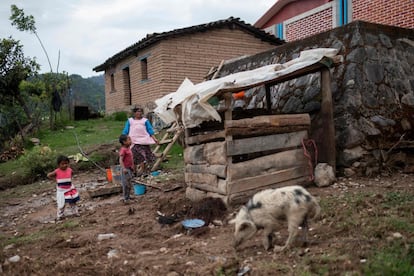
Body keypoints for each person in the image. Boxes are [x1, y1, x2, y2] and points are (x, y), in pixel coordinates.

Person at [122, 106, 159, 176]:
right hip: (133, 141)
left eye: (140, 111)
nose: (139, 113)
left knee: (143, 157)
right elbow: (125, 131)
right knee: (133, 157)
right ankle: (134, 172)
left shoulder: (145, 121)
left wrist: (155, 139)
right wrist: (124, 139)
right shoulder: (130, 121)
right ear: (134, 113)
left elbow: (150, 130)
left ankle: (143, 171)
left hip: (143, 141)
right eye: (138, 111)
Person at [47, 155, 80, 220]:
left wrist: (68, 179)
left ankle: (75, 212)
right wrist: (56, 180)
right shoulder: (57, 171)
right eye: (62, 164)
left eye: (66, 163)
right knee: (61, 203)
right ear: (58, 165)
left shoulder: (69, 170)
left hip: (69, 188)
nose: (64, 165)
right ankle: (60, 216)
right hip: (61, 190)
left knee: (72, 201)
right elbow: (49, 175)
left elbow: (71, 174)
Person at [119, 134, 135, 202]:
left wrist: (133, 166)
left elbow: (131, 159)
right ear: (124, 142)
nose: (130, 141)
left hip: (130, 168)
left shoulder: (128, 149)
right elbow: (120, 160)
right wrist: (124, 168)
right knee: (125, 184)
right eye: (129, 140)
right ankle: (126, 198)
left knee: (129, 183)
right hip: (125, 169)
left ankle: (128, 196)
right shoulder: (123, 150)